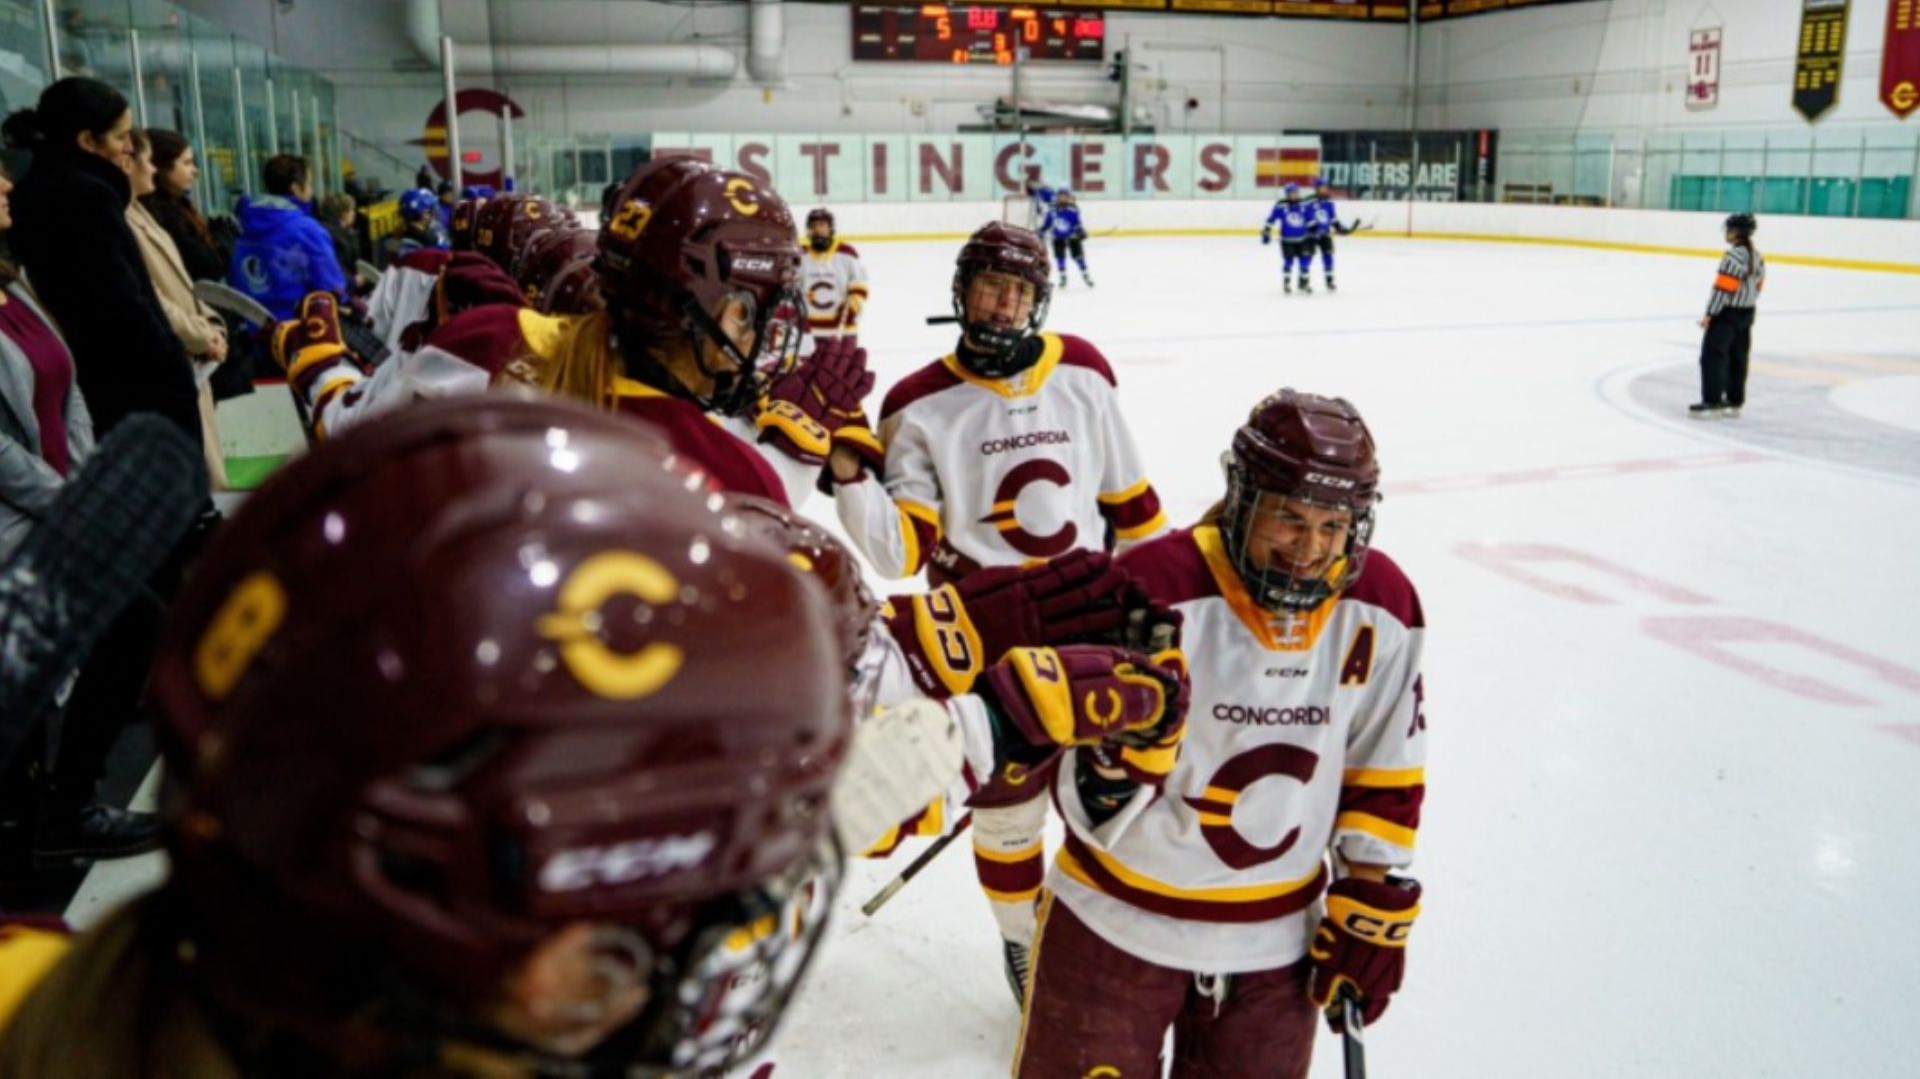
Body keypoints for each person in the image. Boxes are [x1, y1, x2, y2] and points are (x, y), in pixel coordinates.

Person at [0, 395, 1189, 1078]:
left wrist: (972, 717)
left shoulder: (99, 986)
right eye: (642, 934)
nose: (712, 939)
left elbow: (615, 828)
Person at [1013, 389, 1429, 1079]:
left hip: (1276, 945)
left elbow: (1383, 760)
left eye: (1333, 526)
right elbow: (1073, 772)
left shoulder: (1382, 602)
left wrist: (1370, 895)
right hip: (1114, 921)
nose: (1311, 548)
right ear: (1240, 499)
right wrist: (1117, 765)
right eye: (1289, 520)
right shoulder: (1150, 589)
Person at [825, 220, 1166, 1003]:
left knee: (1126, 789)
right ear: (961, 292)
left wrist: (1161, 603)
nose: (1004, 306)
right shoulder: (917, 401)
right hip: (987, 635)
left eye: (1019, 292)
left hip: (1091, 618)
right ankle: (1024, 942)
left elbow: (1133, 508)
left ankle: (1120, 935)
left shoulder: (1082, 371)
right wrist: (849, 475)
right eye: (989, 288)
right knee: (1008, 815)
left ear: (1039, 300)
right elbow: (901, 553)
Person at [271, 159, 812, 506]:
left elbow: (347, 438)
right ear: (729, 312)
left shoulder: (485, 342)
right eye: (758, 312)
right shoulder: (735, 476)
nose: (763, 334)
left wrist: (319, 363)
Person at [0, 162, 161, 862]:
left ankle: (51, 807)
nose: (7, 188)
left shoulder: (15, 286)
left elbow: (68, 390)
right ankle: (59, 811)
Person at [2, 77, 203, 446]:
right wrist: (171, 363)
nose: (129, 147)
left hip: (96, 382)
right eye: (120, 137)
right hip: (133, 386)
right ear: (87, 141)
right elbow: (121, 299)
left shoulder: (39, 189)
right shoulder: (87, 196)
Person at [123, 128, 230, 491]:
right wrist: (202, 334)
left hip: (193, 353)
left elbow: (183, 284)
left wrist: (211, 325)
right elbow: (150, 294)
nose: (150, 170)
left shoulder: (142, 213)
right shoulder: (125, 219)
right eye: (185, 162)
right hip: (177, 355)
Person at [228, 153, 348, 321]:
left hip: (254, 332)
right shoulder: (308, 230)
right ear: (296, 188)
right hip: (300, 334)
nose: (311, 191)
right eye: (309, 184)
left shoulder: (244, 224)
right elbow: (331, 290)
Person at [1691, 212, 1765, 420]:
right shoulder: (1756, 255)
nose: (1727, 233)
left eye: (1729, 229)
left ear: (1735, 232)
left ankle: (1712, 402)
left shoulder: (1733, 257)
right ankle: (1734, 401)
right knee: (1738, 357)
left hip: (1727, 314)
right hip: (1747, 312)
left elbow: (1723, 289)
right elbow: (1758, 286)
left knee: (1713, 357)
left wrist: (1710, 314)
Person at [138, 128, 227, 284]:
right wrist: (224, 240)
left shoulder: (177, 204)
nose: (195, 170)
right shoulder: (164, 215)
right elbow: (205, 268)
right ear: (162, 167)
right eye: (186, 163)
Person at [800, 208, 869, 342]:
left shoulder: (847, 253)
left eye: (822, 225)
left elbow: (860, 284)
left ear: (831, 228)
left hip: (843, 331)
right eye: (813, 226)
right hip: (809, 331)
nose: (817, 230)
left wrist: (854, 307)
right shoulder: (800, 255)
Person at [1306, 177, 1357, 293]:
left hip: (1325, 235)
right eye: (1323, 187)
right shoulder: (1309, 202)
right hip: (1311, 236)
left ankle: (1329, 280)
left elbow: (1333, 220)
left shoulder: (1329, 203)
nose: (1326, 189)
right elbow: (1307, 217)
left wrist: (1341, 228)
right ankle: (1304, 281)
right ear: (1317, 189)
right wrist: (1313, 228)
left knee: (1328, 256)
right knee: (1307, 257)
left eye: (1326, 187)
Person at [1262, 183, 1315, 295]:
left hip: (1303, 239)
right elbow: (1271, 219)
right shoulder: (1281, 205)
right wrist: (1266, 230)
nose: (1295, 195)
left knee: (1304, 262)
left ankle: (1305, 283)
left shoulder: (1304, 204)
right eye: (1292, 193)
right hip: (1287, 241)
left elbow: (1310, 219)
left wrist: (1313, 228)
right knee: (1288, 262)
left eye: (1296, 193)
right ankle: (1286, 283)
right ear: (1287, 194)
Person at [379, 186, 448, 264]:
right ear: (423, 216)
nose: (431, 215)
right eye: (430, 211)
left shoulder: (392, 241)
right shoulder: (422, 243)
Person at [1041, 189, 1092, 289]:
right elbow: (1047, 224)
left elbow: (1077, 223)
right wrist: (1041, 231)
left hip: (1073, 237)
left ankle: (1085, 274)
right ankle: (1062, 276)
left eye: (1065, 196)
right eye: (1060, 196)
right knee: (1060, 257)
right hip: (1058, 237)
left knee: (1078, 257)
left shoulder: (1073, 209)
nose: (1062, 198)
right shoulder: (1052, 210)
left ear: (1068, 197)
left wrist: (1080, 231)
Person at [318, 192, 359, 284]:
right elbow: (345, 267)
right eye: (352, 210)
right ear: (344, 214)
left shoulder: (321, 227)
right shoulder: (339, 238)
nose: (354, 213)